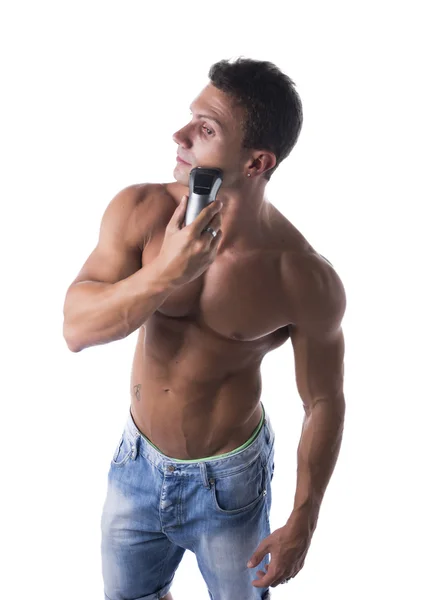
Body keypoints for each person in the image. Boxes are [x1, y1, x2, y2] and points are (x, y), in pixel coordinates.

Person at [63, 57, 346, 600]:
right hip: (136, 466)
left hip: (230, 485)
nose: (180, 134)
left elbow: (324, 401)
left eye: (206, 128)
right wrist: (166, 272)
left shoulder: (301, 275)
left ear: (258, 162)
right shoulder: (140, 212)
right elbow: (76, 328)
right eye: (191, 118)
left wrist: (304, 520)